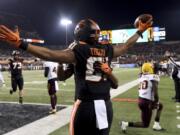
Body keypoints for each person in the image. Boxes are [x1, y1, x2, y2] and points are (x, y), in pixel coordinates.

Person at [0, 14, 152, 135]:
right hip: (105, 105)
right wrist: (140, 31)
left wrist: (21, 44)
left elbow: (49, 54)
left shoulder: (78, 50)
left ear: (81, 34)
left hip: (85, 106)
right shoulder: (107, 49)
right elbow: (126, 46)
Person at [121, 63, 164, 133]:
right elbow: (155, 93)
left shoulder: (141, 76)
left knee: (160, 106)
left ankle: (156, 125)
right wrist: (155, 102)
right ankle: (125, 124)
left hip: (141, 100)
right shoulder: (153, 77)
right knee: (145, 124)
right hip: (147, 102)